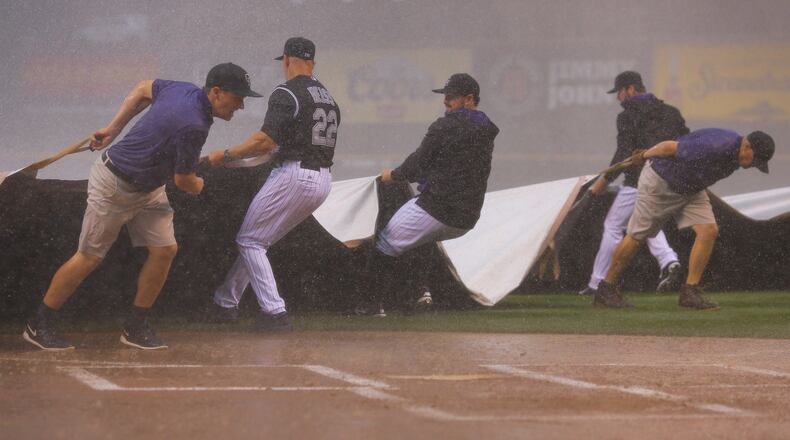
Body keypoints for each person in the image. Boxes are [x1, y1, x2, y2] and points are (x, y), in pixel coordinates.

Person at [23, 63, 261, 350]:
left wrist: (113, 128)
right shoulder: (194, 125)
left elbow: (142, 88)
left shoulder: (182, 89)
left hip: (149, 188)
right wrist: (199, 185)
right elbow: (184, 181)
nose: (242, 106)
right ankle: (38, 324)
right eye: (238, 97)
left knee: (165, 250)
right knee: (89, 257)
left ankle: (135, 327)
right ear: (216, 92)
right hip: (114, 186)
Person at [205, 37, 339, 332]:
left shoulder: (287, 91)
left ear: (287, 60)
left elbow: (265, 140)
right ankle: (225, 302)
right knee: (257, 241)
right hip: (322, 180)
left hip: (296, 176)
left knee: (250, 241)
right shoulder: (326, 96)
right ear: (313, 63)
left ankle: (274, 312)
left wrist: (226, 155)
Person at [356, 73, 499, 315]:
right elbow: (453, 163)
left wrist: (393, 174)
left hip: (439, 207)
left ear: (469, 99)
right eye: (445, 95)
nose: (446, 100)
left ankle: (372, 305)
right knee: (420, 238)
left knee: (384, 241)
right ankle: (420, 293)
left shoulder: (445, 125)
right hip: (467, 216)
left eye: (451, 96)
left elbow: (416, 165)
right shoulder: (486, 128)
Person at [594, 128, 775, 310]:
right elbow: (668, 148)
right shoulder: (717, 146)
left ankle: (690, 292)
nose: (754, 165)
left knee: (708, 230)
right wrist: (644, 155)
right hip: (661, 183)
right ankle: (606, 289)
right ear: (747, 146)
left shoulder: (736, 153)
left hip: (691, 189)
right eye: (756, 160)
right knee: (636, 236)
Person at [579, 71, 686, 297]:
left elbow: (624, 153)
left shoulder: (628, 116)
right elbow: (685, 143)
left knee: (613, 226)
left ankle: (597, 282)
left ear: (630, 89)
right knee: (647, 223)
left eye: (619, 92)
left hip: (639, 180)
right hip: (669, 179)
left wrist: (604, 180)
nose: (618, 98)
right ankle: (669, 261)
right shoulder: (671, 112)